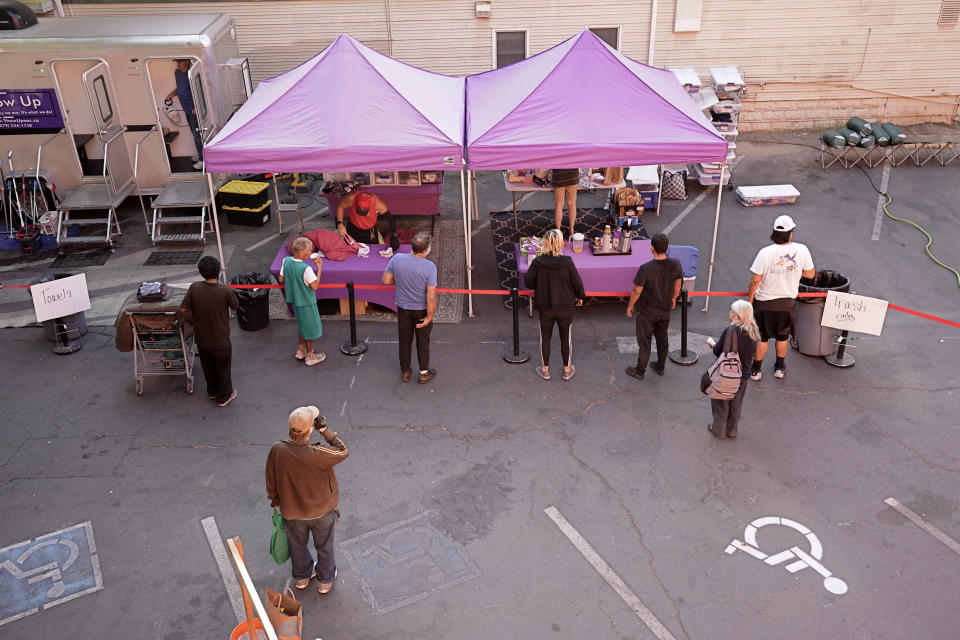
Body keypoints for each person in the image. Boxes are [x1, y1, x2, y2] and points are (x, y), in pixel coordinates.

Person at [265, 406, 348, 595]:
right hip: (321, 512)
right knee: (324, 546)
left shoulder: (277, 450)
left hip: (292, 513)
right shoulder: (318, 454)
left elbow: (270, 479)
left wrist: (275, 499)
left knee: (297, 545)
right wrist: (325, 431)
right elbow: (343, 451)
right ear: (310, 429)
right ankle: (325, 581)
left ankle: (302, 577)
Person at [747, 214, 815, 381]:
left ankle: (756, 370)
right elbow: (810, 274)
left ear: (774, 232)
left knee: (762, 338)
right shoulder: (802, 250)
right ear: (790, 233)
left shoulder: (765, 253)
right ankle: (779, 367)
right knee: (782, 336)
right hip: (787, 304)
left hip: (763, 304)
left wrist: (749, 302)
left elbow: (755, 280)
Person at [523, 228, 585, 381]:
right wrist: (581, 296)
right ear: (560, 243)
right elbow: (577, 282)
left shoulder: (538, 262)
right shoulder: (567, 262)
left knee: (545, 337)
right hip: (565, 307)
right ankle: (567, 370)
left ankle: (545, 370)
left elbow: (528, 283)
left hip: (545, 307)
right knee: (566, 338)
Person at [180, 256, 239, 407]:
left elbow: (183, 308)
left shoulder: (194, 288)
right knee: (223, 368)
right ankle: (224, 396)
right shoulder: (224, 290)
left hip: (202, 340)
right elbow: (236, 306)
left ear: (201, 272)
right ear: (218, 271)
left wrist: (194, 319)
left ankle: (212, 392)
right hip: (221, 340)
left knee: (208, 367)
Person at [625, 233, 683, 381]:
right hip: (664, 311)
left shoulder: (645, 268)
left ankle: (639, 371)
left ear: (651, 248)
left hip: (647, 312)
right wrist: (673, 298)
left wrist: (630, 306)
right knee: (662, 340)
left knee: (645, 343)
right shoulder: (676, 265)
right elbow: (677, 285)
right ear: (668, 247)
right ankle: (660, 366)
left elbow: (637, 290)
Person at [382, 231, 437, 384]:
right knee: (423, 341)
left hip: (403, 308)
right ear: (426, 249)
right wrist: (430, 317)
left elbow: (386, 280)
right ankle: (424, 373)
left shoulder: (397, 259)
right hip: (421, 310)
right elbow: (431, 296)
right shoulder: (430, 267)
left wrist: (401, 280)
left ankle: (405, 371)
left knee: (404, 340)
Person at [707, 300, 760, 439]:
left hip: (726, 373)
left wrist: (715, 346)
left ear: (738, 315)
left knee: (721, 401)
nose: (729, 313)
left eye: (732, 311)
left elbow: (718, 352)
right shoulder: (753, 332)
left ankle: (718, 430)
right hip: (743, 374)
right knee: (736, 402)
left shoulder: (730, 331)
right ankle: (732, 431)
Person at [278, 237, 326, 366]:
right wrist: (320, 268)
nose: (311, 252)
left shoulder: (286, 261)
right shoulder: (306, 268)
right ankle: (310, 355)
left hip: (294, 300)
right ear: (304, 252)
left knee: (301, 324)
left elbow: (281, 279)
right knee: (309, 328)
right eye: (310, 250)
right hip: (306, 302)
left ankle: (301, 349)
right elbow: (315, 287)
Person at [165, 59, 204, 171]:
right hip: (186, 109)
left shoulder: (192, 73)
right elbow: (180, 88)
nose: (178, 64)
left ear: (186, 62)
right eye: (177, 61)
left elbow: (200, 89)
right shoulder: (177, 73)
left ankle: (203, 160)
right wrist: (171, 95)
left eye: (180, 61)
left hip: (193, 110)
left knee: (197, 135)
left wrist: (197, 106)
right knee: (194, 133)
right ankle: (201, 154)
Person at [551, 169, 580, 237]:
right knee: (572, 204)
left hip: (558, 178)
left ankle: (558, 230)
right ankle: (571, 229)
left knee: (559, 205)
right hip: (572, 176)